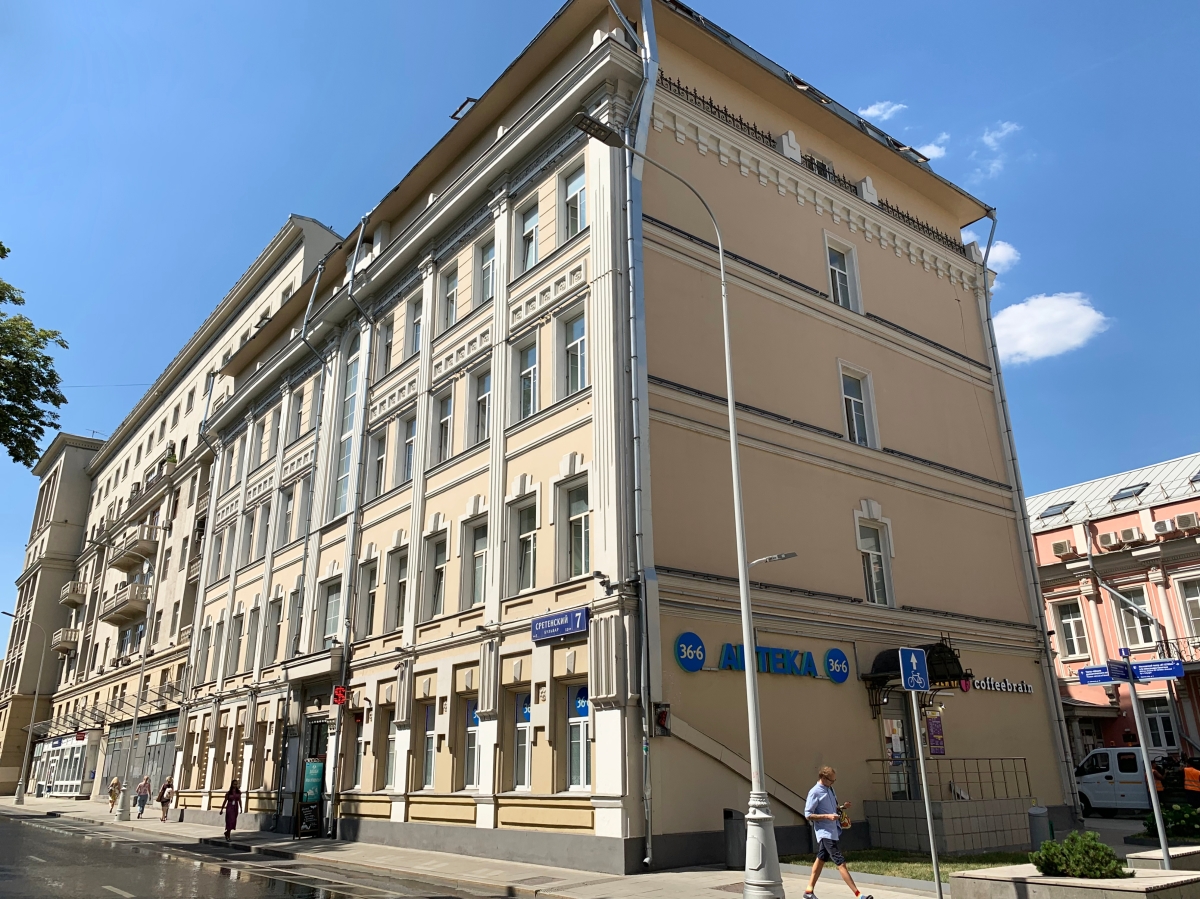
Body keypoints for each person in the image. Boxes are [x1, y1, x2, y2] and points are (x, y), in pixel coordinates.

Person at [804, 766, 871, 899]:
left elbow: (832, 807)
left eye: (834, 780)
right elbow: (808, 815)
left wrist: (842, 807)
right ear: (823, 778)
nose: (833, 783)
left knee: (821, 859)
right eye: (831, 780)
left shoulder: (830, 789)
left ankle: (808, 891)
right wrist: (827, 816)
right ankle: (858, 895)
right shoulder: (814, 792)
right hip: (825, 832)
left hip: (833, 830)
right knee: (840, 862)